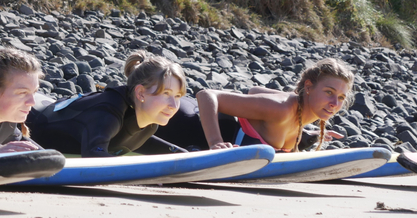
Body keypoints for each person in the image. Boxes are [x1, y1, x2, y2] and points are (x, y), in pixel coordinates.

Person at [151, 57, 355, 152]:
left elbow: (254, 91)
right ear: (308, 87)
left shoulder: (298, 114)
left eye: (340, 98)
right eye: (329, 92)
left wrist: (307, 134)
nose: (334, 103)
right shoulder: (282, 108)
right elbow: (206, 95)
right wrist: (215, 142)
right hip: (180, 124)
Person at [25, 51, 186, 157]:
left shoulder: (149, 123)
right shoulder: (108, 111)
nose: (173, 105)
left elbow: (129, 139)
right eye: (166, 94)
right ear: (141, 93)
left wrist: (182, 155)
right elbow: (94, 156)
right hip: (29, 120)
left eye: (178, 96)